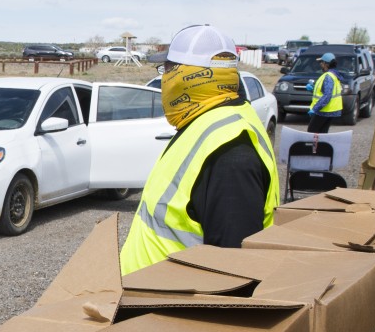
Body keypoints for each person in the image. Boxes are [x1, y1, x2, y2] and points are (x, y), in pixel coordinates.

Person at [119, 24, 279, 275]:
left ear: (189, 76)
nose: (164, 78)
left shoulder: (230, 153)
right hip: (144, 298)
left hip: (167, 309)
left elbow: (232, 273)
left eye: (167, 69)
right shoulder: (205, 124)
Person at [306, 52, 343, 134]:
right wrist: (312, 89)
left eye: (321, 62)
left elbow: (327, 95)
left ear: (326, 64)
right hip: (330, 110)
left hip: (324, 110)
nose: (320, 64)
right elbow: (326, 92)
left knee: (312, 132)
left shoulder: (328, 76)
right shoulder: (333, 75)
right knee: (322, 133)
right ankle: (320, 147)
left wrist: (315, 109)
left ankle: (315, 147)